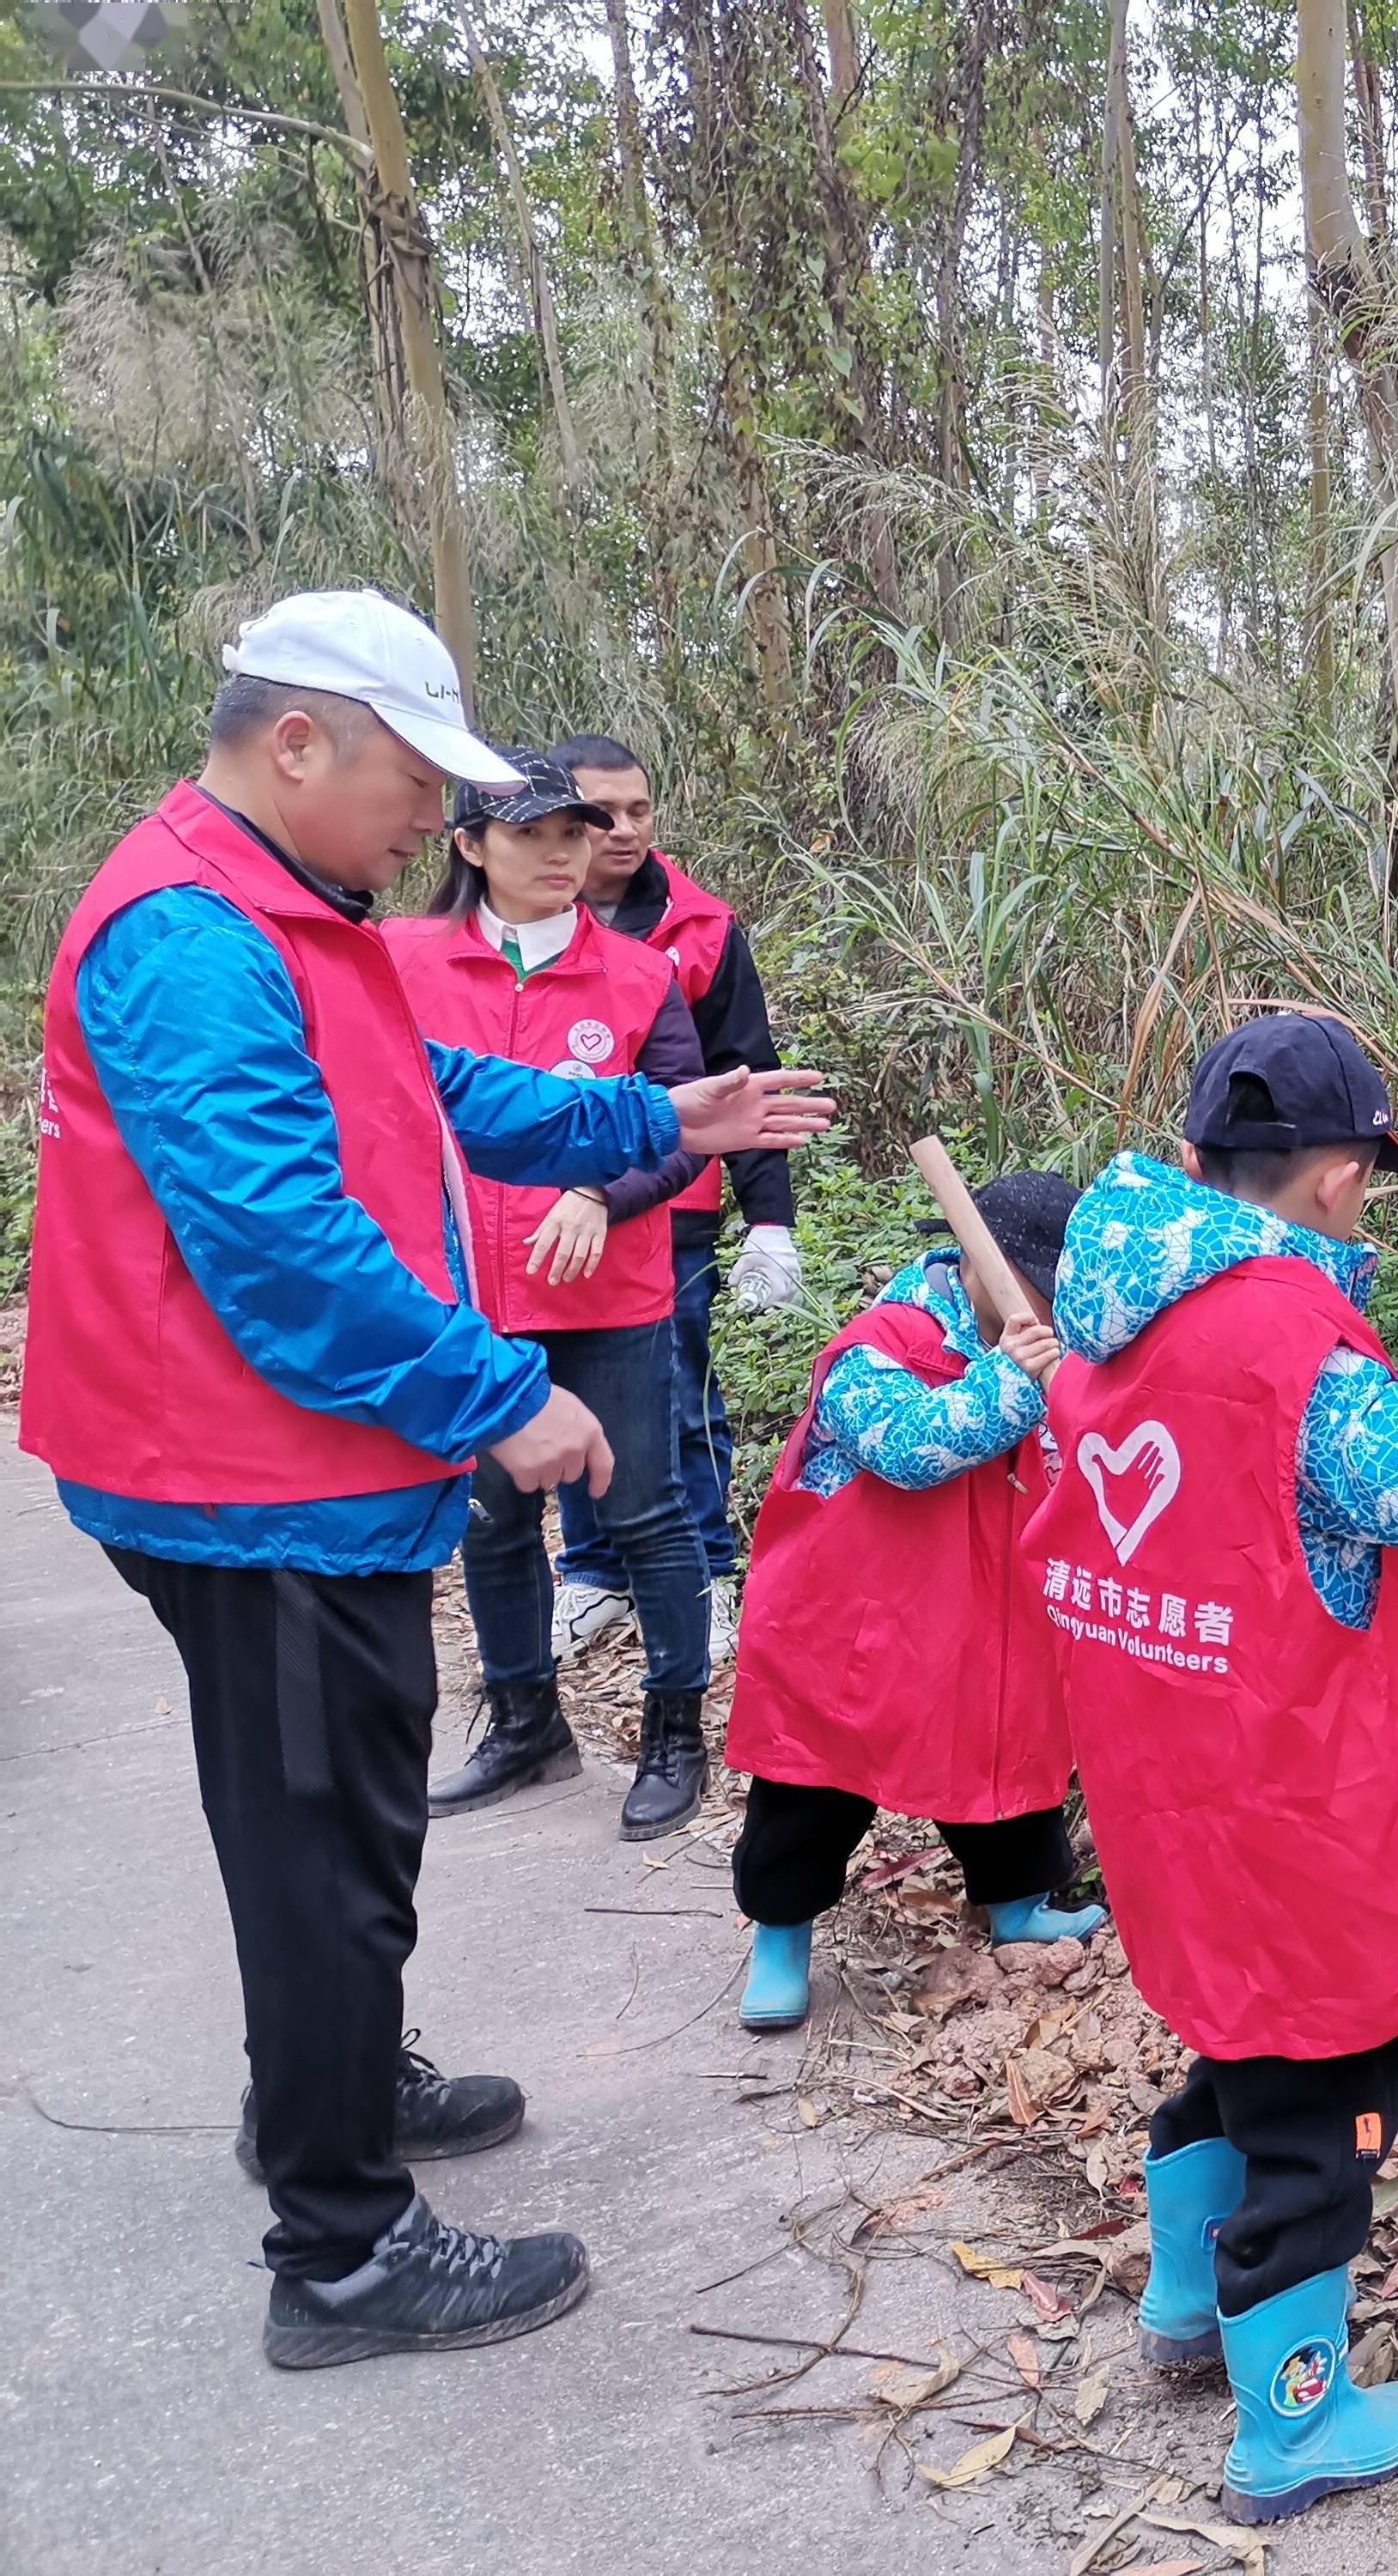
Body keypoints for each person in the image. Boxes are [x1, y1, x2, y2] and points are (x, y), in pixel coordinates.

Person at [23, 590, 833, 2367]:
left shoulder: (287, 908)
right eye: (415, 781)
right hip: (249, 1478)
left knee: (320, 1825)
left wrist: (652, 1123)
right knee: (323, 1844)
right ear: (296, 741)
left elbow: (427, 1088)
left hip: (284, 1463)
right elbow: (279, 1239)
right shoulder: (188, 934)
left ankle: (323, 2088)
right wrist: (494, 1396)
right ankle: (340, 2247)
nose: (433, 822)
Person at [1027, 1013, 1398, 2524]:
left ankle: (1187, 2307)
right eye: (1366, 1187)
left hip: (1171, 1790)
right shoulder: (1283, 1345)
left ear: (1193, 1164)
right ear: (1331, 1183)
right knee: (1327, 2113)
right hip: (1298, 1801)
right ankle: (1291, 2424)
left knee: (1236, 2052)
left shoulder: (1109, 1316)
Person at [382, 756, 720, 1840]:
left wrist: (597, 1193)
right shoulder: (394, 962)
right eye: (534, 834)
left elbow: (683, 1131)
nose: (565, 853)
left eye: (576, 833)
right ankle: (527, 1720)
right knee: (491, 1519)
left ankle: (676, 1732)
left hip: (609, 1297)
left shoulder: (637, 976)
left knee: (647, 1514)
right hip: (467, 1296)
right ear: (470, 845)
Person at [723, 1169, 1109, 2032]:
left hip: (980, 1617)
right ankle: (781, 1938)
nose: (1051, 1309)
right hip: (854, 1623)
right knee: (810, 1788)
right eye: (1039, 1287)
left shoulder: (1058, 1347)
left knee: (1002, 1753)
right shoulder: (881, 1343)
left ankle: (1016, 1903)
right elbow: (906, 1447)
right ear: (979, 1264)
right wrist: (1013, 1383)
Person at [547, 732, 797, 1669]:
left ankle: (704, 1573)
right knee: (563, 1386)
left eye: (638, 811)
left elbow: (747, 1075)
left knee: (679, 1395)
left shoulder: (699, 927)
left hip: (669, 1207)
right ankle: (593, 1574)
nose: (620, 831)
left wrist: (770, 1217)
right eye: (597, 814)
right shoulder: (525, 913)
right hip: (543, 1206)